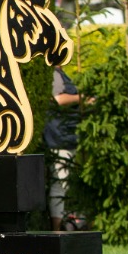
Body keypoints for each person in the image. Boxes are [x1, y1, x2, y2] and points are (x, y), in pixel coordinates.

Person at [44, 66, 83, 230]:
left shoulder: (60, 74)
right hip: (59, 137)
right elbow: (58, 99)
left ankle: (66, 226)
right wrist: (81, 98)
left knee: (63, 184)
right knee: (60, 184)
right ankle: (58, 230)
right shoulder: (54, 74)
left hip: (65, 136)